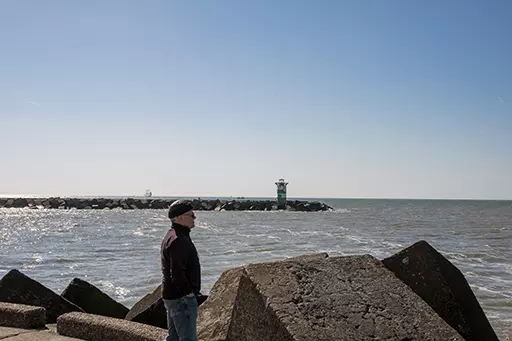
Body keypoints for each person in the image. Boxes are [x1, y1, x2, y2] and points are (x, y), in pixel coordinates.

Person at [161, 200, 201, 341]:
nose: (194, 218)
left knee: (173, 338)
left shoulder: (171, 235)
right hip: (180, 298)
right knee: (187, 338)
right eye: (191, 215)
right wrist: (188, 294)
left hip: (172, 295)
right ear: (180, 218)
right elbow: (177, 272)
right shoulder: (178, 240)